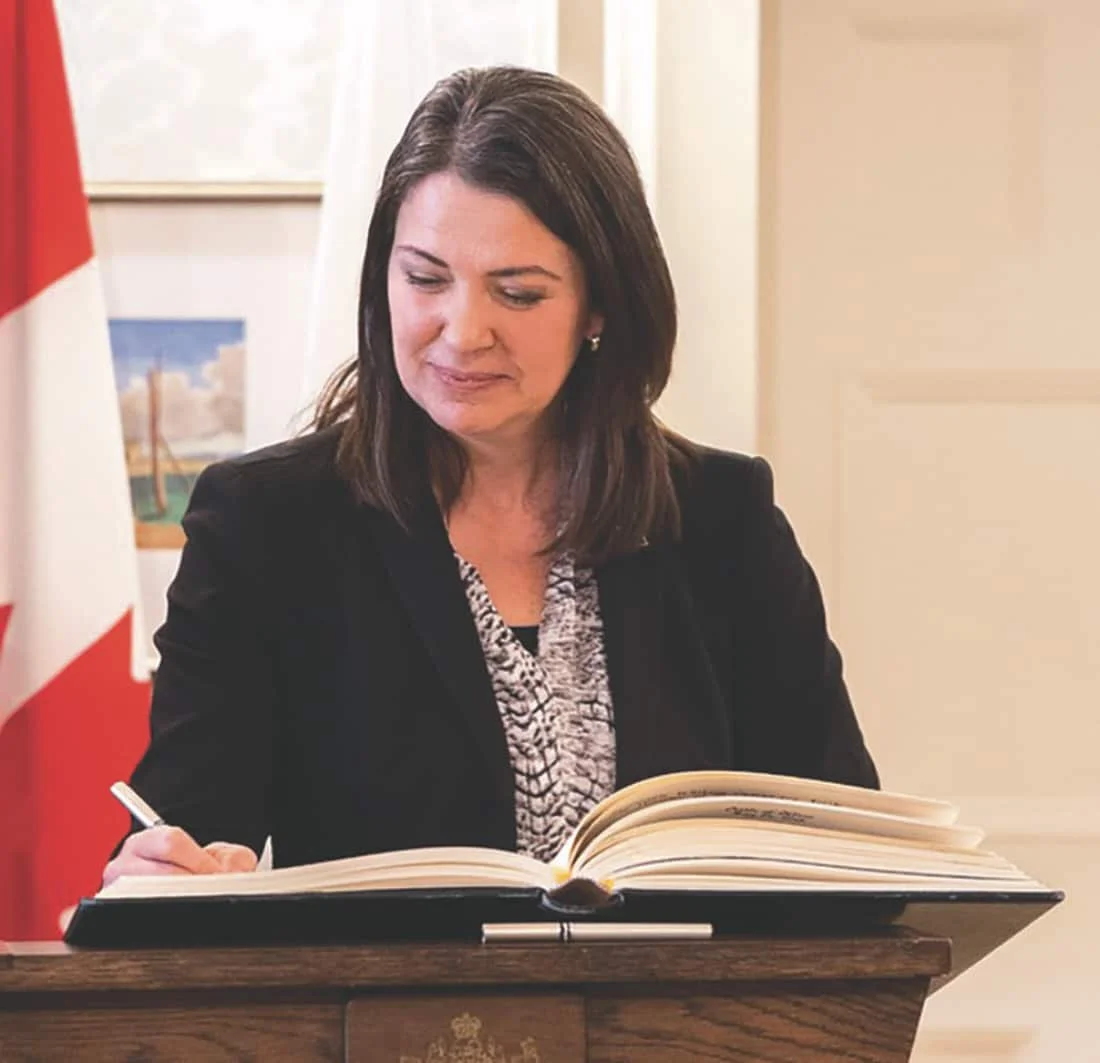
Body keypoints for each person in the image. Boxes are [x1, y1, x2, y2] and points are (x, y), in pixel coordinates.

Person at [102, 66, 877, 887]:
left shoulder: (724, 520)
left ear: (601, 306)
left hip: (688, 978)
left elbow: (848, 855)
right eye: (425, 278)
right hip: (383, 980)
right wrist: (160, 875)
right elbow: (180, 838)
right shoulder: (265, 526)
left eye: (518, 293)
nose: (463, 331)